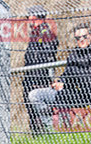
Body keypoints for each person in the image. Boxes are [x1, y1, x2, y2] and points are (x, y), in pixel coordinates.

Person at [29, 23, 91, 133]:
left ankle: (60, 127)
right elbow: (66, 74)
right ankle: (51, 128)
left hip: (85, 95)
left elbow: (90, 80)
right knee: (35, 95)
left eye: (84, 37)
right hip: (69, 92)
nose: (81, 40)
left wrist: (66, 83)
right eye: (78, 38)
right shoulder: (74, 54)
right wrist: (59, 81)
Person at [23, 5, 59, 134]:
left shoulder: (45, 32)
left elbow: (49, 57)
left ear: (34, 17)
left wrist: (48, 78)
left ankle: (46, 135)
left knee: (38, 114)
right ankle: (40, 138)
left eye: (28, 17)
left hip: (38, 79)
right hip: (33, 78)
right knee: (34, 115)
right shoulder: (36, 33)